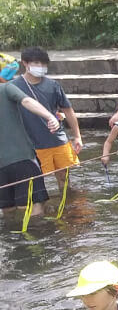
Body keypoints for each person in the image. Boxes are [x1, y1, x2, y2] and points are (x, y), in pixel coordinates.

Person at [14, 48, 81, 200]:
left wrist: (77, 136)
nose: (41, 67)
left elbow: (68, 110)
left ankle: (68, 203)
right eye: (36, 63)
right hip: (32, 143)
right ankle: (41, 210)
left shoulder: (53, 85)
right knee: (36, 180)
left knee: (64, 177)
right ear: (25, 63)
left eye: (43, 64)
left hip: (57, 139)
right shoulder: (14, 87)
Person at [0, 79, 60, 221]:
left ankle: (13, 239)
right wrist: (50, 116)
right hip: (22, 158)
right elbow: (27, 101)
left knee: (7, 209)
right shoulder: (6, 88)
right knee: (34, 205)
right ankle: (36, 235)